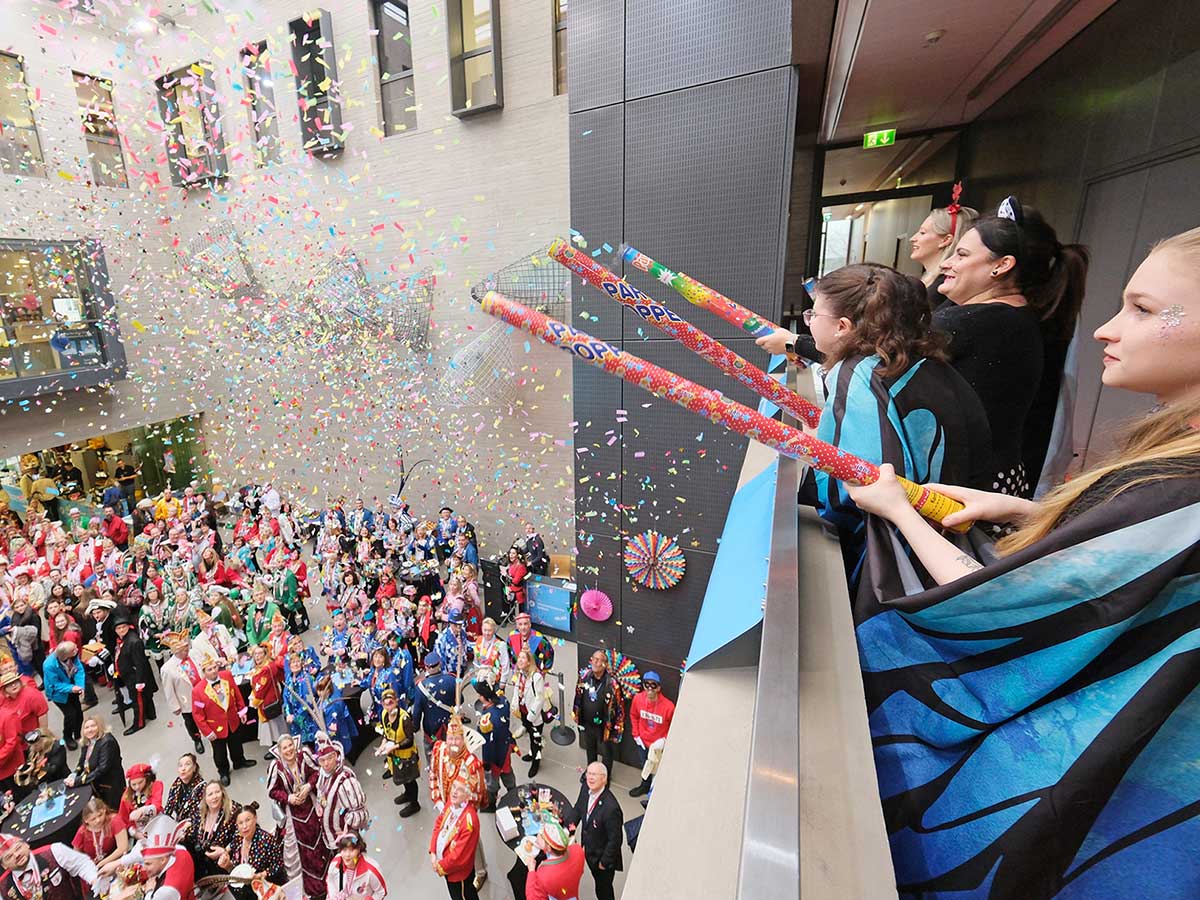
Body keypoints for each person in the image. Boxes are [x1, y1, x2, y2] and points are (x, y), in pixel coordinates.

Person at [842, 226, 1200, 896]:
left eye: (1144, 310)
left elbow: (996, 607)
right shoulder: (1171, 470)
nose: (1105, 330)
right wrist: (1023, 512)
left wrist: (894, 509)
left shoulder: (1177, 489)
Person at [933, 199, 1089, 495]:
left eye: (962, 254)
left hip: (959, 489)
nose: (946, 263)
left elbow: (882, 355)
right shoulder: (1023, 317)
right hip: (1000, 482)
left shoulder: (978, 320)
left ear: (1002, 265)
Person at [267, 734, 328, 898]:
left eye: (290, 745)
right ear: (279, 750)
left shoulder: (304, 756)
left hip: (311, 805)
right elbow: (272, 791)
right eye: (284, 747)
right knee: (299, 848)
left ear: (295, 745)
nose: (288, 750)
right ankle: (307, 884)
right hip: (292, 815)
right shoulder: (276, 767)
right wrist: (288, 798)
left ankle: (327, 872)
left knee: (319, 836)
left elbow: (316, 773)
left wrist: (308, 786)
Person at [191, 652, 256, 787]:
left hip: (232, 719)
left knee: (236, 743)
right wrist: (207, 731)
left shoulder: (226, 675)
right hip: (215, 727)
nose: (214, 671)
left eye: (215, 667)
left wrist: (242, 710)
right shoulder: (197, 691)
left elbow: (236, 693)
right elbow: (198, 714)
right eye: (210, 669)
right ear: (203, 672)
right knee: (219, 752)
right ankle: (223, 771)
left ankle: (239, 761)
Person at [909, 194, 980, 307]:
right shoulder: (933, 282)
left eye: (922, 232)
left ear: (946, 240)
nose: (912, 239)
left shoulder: (944, 287)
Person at [103, 814, 195, 900]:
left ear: (163, 860)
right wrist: (116, 863)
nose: (144, 867)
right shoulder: (181, 851)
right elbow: (146, 854)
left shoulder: (165, 891)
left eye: (148, 864)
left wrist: (149, 891)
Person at [571, 762, 624, 900]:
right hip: (590, 851)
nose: (590, 777)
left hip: (602, 860)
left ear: (604, 779)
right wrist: (567, 827)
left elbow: (615, 840)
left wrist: (604, 863)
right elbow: (578, 808)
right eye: (589, 773)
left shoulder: (611, 808)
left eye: (595, 774)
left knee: (603, 890)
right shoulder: (585, 788)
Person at [213, 803, 286, 897]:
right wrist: (227, 866)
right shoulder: (238, 840)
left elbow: (278, 865)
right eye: (240, 823)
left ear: (255, 818)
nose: (244, 826)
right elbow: (238, 870)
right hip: (247, 892)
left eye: (247, 820)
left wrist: (262, 874)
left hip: (269, 890)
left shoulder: (266, 839)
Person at [0, 831, 98, 899]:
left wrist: (94, 879)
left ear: (26, 844)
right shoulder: (2, 887)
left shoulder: (54, 851)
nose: (17, 855)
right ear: (4, 866)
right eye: (9, 857)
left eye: (18, 848)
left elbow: (82, 864)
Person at [428, 778, 481, 900]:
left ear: (467, 795)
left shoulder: (469, 821)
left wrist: (439, 866)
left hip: (458, 874)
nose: (454, 792)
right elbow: (438, 824)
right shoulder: (450, 803)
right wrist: (433, 852)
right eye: (453, 787)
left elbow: (459, 857)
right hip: (446, 867)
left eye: (460, 789)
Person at [572, 651, 624, 776]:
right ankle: (591, 772)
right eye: (593, 658)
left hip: (605, 726)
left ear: (605, 664)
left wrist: (618, 729)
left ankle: (604, 776)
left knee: (607, 753)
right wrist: (575, 713)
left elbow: (619, 709)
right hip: (587, 722)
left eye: (598, 660)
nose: (595, 662)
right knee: (590, 749)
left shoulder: (613, 684)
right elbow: (578, 695)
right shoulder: (584, 676)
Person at [313, 737, 368, 852]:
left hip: (346, 841)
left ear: (336, 756)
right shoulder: (322, 774)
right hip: (331, 838)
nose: (326, 763)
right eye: (322, 760)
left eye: (329, 758)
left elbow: (359, 811)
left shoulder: (345, 779)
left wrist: (348, 833)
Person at [373, 688, 421, 817]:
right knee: (403, 777)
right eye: (386, 703)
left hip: (407, 756)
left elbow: (410, 740)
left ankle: (415, 803)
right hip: (394, 755)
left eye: (391, 702)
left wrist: (393, 747)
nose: (389, 706)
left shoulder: (404, 718)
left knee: (410, 779)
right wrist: (383, 745)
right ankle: (407, 794)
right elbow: (386, 733)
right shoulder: (384, 714)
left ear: (396, 701)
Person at [629, 670, 674, 798]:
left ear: (658, 687)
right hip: (643, 742)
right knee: (645, 765)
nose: (649, 688)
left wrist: (664, 740)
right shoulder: (638, 699)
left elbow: (673, 726)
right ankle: (644, 786)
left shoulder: (669, 707)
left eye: (653, 685)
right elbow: (634, 715)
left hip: (658, 745)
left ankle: (656, 793)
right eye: (646, 684)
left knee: (658, 770)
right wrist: (636, 735)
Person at [160, 633, 206, 756]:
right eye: (183, 651)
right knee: (191, 721)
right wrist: (175, 706)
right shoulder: (167, 668)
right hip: (187, 699)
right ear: (176, 652)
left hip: (204, 691)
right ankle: (197, 739)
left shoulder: (194, 654)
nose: (187, 652)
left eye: (187, 649)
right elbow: (169, 689)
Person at [183, 779, 239, 880]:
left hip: (225, 860)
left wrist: (225, 850)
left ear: (222, 793)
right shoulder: (200, 811)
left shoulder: (233, 810)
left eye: (217, 792)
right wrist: (184, 833)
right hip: (204, 860)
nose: (214, 797)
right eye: (210, 794)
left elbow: (242, 834)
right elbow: (193, 830)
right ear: (205, 798)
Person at [66, 715, 125, 808]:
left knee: (114, 809)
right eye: (86, 727)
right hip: (96, 783)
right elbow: (82, 762)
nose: (90, 730)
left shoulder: (107, 742)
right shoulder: (87, 742)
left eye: (93, 726)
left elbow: (102, 769)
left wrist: (78, 781)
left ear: (100, 726)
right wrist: (74, 773)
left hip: (110, 785)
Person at [113, 608, 156, 735]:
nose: (121, 630)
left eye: (123, 627)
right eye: (118, 628)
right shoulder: (122, 639)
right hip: (128, 674)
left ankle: (139, 723)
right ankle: (151, 714)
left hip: (135, 676)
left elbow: (140, 663)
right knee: (144, 698)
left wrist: (139, 681)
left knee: (138, 701)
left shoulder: (134, 642)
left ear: (128, 627)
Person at [474, 681, 516, 808]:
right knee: (509, 775)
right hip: (506, 746)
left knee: (492, 782)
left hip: (495, 756)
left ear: (482, 697)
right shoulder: (504, 702)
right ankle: (513, 798)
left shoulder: (487, 720)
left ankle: (491, 804)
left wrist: (486, 762)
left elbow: (487, 744)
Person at [411, 652, 460, 760]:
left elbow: (417, 712)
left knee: (433, 756)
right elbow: (460, 700)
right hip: (451, 727)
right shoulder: (452, 679)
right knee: (452, 757)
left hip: (431, 731)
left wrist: (415, 727)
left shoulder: (421, 687)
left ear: (426, 667)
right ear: (440, 664)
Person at [523, 818, 585, 900]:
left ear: (549, 848)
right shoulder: (578, 850)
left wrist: (531, 871)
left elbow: (533, 898)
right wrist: (545, 849)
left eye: (541, 835)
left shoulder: (544, 875)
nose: (538, 835)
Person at [509, 648, 548, 778]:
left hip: (535, 716)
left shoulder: (536, 677)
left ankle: (536, 762)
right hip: (524, 712)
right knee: (531, 736)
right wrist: (515, 703)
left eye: (523, 658)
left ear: (529, 662)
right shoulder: (520, 674)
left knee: (536, 739)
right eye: (519, 657)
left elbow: (539, 698)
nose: (520, 660)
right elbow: (516, 690)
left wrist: (531, 716)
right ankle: (532, 754)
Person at [43, 641, 85, 750]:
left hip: (72, 688)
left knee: (79, 713)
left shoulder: (73, 656)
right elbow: (55, 684)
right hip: (58, 694)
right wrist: (71, 688)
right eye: (74, 649)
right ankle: (67, 737)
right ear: (65, 655)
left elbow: (79, 669)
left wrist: (80, 686)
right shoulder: (49, 665)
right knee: (70, 715)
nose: (77, 650)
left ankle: (78, 734)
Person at [72, 796, 130, 869]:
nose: (98, 820)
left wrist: (102, 863)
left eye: (100, 815)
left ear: (104, 810)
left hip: (115, 863)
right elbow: (75, 855)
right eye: (93, 819)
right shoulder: (82, 831)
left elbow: (123, 848)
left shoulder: (114, 821)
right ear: (86, 820)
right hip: (92, 867)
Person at [248, 643, 287, 752]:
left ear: (265, 654)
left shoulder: (267, 668)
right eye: (255, 654)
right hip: (272, 698)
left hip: (267, 701)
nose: (257, 656)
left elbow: (261, 689)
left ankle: (278, 747)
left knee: (274, 726)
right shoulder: (265, 666)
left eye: (260, 653)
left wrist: (255, 701)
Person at [325, 831, 387, 900]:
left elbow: (381, 892)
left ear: (359, 849)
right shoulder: (336, 862)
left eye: (351, 850)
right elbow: (330, 879)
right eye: (344, 850)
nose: (347, 855)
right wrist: (333, 897)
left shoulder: (371, 870)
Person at [118, 762, 165, 836]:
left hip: (158, 823)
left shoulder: (156, 785)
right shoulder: (127, 795)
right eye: (133, 784)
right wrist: (134, 833)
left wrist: (142, 810)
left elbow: (157, 806)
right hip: (140, 831)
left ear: (146, 779)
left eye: (140, 782)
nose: (137, 787)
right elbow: (124, 818)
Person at [163, 753, 205, 822]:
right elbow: (169, 805)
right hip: (179, 823)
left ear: (194, 767)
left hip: (194, 824)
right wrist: (164, 819)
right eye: (180, 765)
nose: (183, 768)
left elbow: (199, 815)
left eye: (187, 764)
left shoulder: (201, 787)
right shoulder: (177, 783)